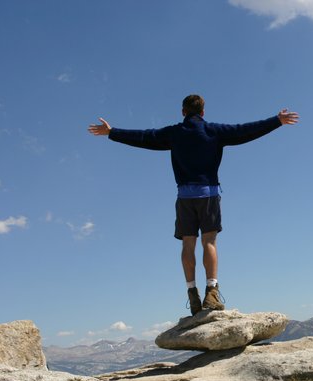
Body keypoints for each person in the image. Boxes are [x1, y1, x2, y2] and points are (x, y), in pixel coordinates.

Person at [88, 94, 299, 315]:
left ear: (183, 112)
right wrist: (276, 121)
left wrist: (111, 132)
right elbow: (244, 130)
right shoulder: (213, 131)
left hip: (185, 197)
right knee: (209, 242)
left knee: (187, 244)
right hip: (208, 195)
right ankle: (212, 292)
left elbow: (144, 136)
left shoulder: (174, 133)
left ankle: (193, 295)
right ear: (203, 112)